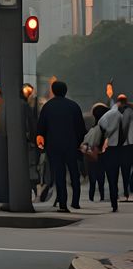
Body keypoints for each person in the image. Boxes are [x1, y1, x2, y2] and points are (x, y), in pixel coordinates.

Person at [37, 79, 87, 212]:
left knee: (59, 175)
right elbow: (81, 128)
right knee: (74, 173)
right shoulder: (74, 106)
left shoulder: (47, 107)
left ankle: (63, 203)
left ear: (53, 91)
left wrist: (43, 143)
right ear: (66, 91)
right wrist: (79, 143)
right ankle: (75, 201)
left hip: (54, 146)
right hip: (71, 145)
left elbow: (41, 127)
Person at [98, 93, 133, 213]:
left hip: (112, 149)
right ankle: (125, 191)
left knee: (112, 176)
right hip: (126, 148)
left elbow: (101, 125)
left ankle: (114, 200)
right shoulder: (130, 113)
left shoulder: (110, 114)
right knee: (126, 171)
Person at [86, 103, 110, 202]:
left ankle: (91, 196)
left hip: (92, 155)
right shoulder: (104, 129)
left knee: (93, 177)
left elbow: (86, 142)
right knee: (101, 177)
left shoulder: (93, 129)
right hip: (102, 155)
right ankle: (101, 195)